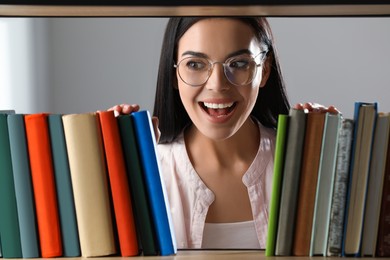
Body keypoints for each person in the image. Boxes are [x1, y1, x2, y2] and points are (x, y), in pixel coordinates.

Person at [110, 17, 338, 250]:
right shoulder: (146, 170)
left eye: (238, 64)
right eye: (195, 64)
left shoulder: (306, 163)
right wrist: (113, 173)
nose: (217, 85)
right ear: (173, 74)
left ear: (265, 70)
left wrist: (334, 157)